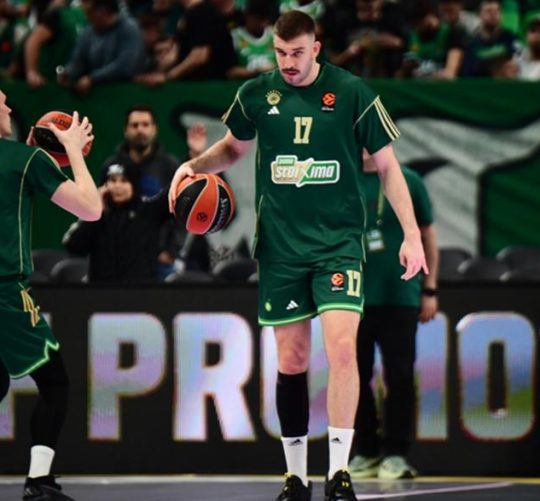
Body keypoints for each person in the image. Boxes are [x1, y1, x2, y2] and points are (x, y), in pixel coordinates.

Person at [167, 10, 427, 501]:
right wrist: (194, 165)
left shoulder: (351, 92)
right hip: (281, 248)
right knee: (292, 358)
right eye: (281, 53)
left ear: (316, 49)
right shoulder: (256, 93)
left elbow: (389, 168)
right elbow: (233, 149)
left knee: (344, 350)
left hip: (338, 245)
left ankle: (339, 472)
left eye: (297, 53)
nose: (288, 62)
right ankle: (294, 476)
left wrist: (411, 235)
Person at [0, 91, 101, 500]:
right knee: (55, 382)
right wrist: (72, 149)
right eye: (2, 102)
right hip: (5, 292)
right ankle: (39, 482)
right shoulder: (24, 160)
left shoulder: (25, 160)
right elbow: (91, 208)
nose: (9, 108)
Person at [348, 151, 439, 480]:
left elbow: (427, 234)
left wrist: (429, 289)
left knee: (399, 375)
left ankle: (396, 453)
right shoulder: (343, 177)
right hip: (351, 295)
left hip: (400, 294)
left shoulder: (408, 180)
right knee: (353, 375)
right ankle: (366, 451)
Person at [101, 105, 208, 279]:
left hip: (159, 259)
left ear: (154, 129)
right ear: (125, 130)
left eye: (145, 124)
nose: (140, 130)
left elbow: (182, 211)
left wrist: (171, 250)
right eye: (134, 125)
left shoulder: (169, 165)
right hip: (118, 258)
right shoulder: (111, 166)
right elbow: (102, 211)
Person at [63, 164, 176, 282]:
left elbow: (173, 191)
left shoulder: (149, 211)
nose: (118, 186)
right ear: (105, 185)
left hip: (140, 289)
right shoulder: (97, 215)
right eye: (113, 180)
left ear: (133, 184)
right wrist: (95, 208)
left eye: (124, 180)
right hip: (100, 290)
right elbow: (73, 247)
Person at [58, 0, 146, 95]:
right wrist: (68, 72)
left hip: (128, 93)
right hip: (97, 96)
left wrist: (93, 78)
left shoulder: (129, 28)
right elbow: (78, 60)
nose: (87, 17)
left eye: (90, 13)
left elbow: (126, 65)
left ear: (102, 11)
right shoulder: (88, 32)